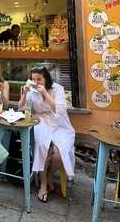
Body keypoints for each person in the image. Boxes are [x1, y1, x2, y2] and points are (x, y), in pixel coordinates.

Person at [19, 66, 75, 203]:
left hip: (59, 123)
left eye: (39, 79)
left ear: (46, 79)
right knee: (43, 147)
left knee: (59, 151)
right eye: (33, 79)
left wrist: (45, 93)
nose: (36, 82)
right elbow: (21, 108)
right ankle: (43, 184)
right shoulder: (31, 91)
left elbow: (60, 109)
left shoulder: (58, 89)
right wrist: (24, 94)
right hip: (41, 121)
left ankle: (49, 175)